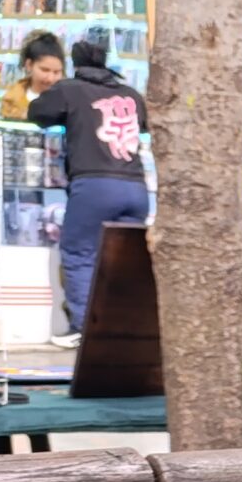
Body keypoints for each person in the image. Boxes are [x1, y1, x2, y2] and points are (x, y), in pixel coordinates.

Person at [27, 37, 150, 347]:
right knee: (126, 261)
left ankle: (85, 328)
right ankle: (126, 328)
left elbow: (37, 113)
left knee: (80, 253)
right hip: (137, 187)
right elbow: (145, 125)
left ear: (76, 63)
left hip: (94, 184)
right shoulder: (131, 94)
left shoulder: (70, 89)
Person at [0, 31, 66, 122]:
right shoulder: (11, 100)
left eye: (56, 72)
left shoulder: (69, 101)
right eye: (45, 70)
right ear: (29, 65)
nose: (51, 78)